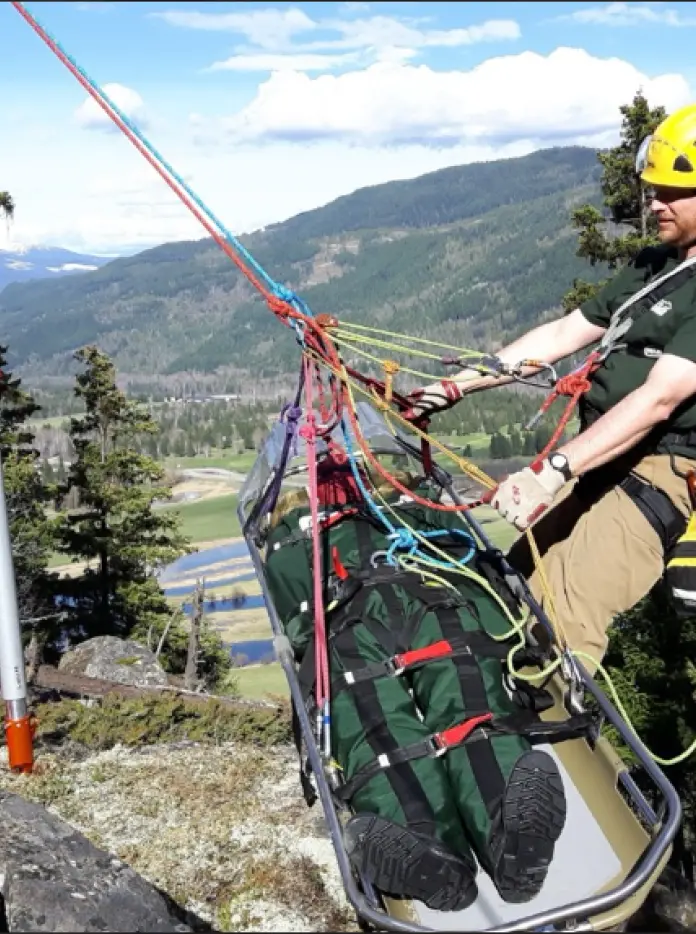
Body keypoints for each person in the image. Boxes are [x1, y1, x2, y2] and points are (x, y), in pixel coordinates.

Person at [404, 104, 696, 675]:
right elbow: (566, 333)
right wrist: (459, 386)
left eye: (673, 191)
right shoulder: (654, 267)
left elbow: (660, 398)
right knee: (515, 577)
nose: (654, 201)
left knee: (568, 611)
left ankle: (554, 751)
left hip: (665, 470)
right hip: (604, 456)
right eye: (653, 188)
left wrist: (552, 470)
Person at [260, 459, 571, 913]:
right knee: (470, 700)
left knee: (371, 718)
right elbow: (461, 545)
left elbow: (291, 606)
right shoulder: (413, 500)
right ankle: (505, 828)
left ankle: (423, 838)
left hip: (345, 615)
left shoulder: (290, 538)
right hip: (433, 595)